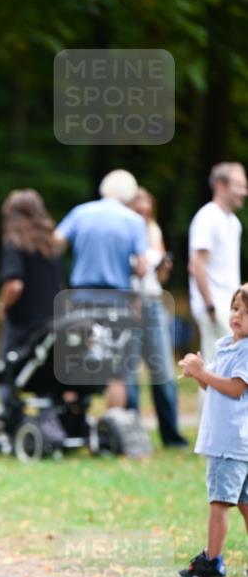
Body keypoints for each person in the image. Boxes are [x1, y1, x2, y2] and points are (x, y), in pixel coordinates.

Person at [54, 169, 148, 408]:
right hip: (117, 302)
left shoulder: (81, 212)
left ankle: (71, 424)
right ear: (129, 195)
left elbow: (55, 244)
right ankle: (111, 429)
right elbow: (142, 268)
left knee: (74, 361)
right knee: (116, 370)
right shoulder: (134, 221)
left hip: (81, 298)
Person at [177, 284, 248, 577]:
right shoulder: (227, 345)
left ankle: (213, 561)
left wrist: (204, 373)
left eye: (247, 313)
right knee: (244, 502)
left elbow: (235, 387)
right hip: (236, 442)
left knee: (219, 503)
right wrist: (199, 374)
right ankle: (213, 559)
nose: (238, 316)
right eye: (236, 309)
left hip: (228, 442)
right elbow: (215, 384)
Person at [127, 187, 188, 447]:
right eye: (138, 211)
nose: (143, 215)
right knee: (129, 372)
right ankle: (131, 434)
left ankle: (171, 435)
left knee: (163, 370)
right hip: (128, 303)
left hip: (153, 303)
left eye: (147, 211)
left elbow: (159, 279)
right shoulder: (122, 231)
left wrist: (164, 268)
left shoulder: (153, 231)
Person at [0, 189, 64, 411]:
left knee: (8, 369)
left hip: (21, 324)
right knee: (45, 370)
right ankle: (49, 419)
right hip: (51, 323)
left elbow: (14, 284)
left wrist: (3, 304)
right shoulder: (52, 245)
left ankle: (10, 416)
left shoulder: (14, 243)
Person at [188, 162, 246, 365]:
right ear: (221, 186)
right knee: (216, 368)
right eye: (239, 185)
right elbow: (197, 264)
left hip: (230, 305)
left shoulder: (234, 222)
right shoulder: (207, 217)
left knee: (226, 367)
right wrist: (210, 306)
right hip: (215, 305)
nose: (244, 192)